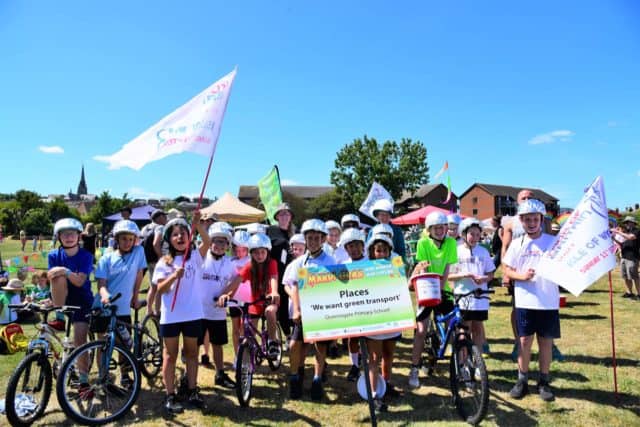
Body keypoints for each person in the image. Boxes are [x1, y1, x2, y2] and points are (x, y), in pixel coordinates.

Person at [152, 213, 210, 414]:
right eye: (175, 234)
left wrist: (197, 225)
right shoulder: (164, 263)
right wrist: (173, 277)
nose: (179, 237)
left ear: (189, 236)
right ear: (169, 239)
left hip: (193, 313)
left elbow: (208, 242)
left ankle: (192, 391)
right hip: (171, 316)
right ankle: (170, 395)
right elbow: (161, 288)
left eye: (183, 233)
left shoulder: (195, 256)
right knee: (170, 355)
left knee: (192, 353)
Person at [503, 199, 559, 402]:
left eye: (535, 219)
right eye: (527, 219)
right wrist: (521, 276)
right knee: (524, 342)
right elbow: (506, 269)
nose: (532, 222)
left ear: (541, 220)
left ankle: (544, 382)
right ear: (521, 221)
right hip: (525, 301)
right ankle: (522, 380)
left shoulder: (553, 242)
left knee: (546, 343)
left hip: (548, 302)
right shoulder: (517, 244)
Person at [281, 219, 335, 400]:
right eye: (309, 238)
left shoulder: (330, 260)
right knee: (295, 345)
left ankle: (317, 380)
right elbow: (294, 287)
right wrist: (296, 310)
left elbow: (337, 285)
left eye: (316, 238)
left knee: (320, 347)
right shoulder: (300, 262)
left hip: (322, 311)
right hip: (303, 312)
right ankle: (295, 378)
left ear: (323, 239)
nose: (312, 241)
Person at [94, 220, 147, 387]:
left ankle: (125, 375)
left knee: (124, 344)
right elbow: (101, 284)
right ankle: (103, 375)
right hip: (104, 307)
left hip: (123, 308)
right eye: (124, 238)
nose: (128, 242)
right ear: (116, 239)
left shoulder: (138, 252)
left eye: (131, 239)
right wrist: (105, 296)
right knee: (102, 343)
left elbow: (139, 274)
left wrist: (135, 296)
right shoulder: (106, 258)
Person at [408, 211, 457, 389]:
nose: (439, 230)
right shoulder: (423, 243)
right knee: (421, 330)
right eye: (435, 228)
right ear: (429, 230)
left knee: (456, 326)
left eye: (442, 227)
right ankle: (414, 368)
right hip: (427, 286)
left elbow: (447, 268)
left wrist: (441, 289)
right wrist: (432, 289)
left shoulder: (451, 242)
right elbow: (423, 267)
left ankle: (463, 366)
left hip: (442, 288)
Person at [218, 233, 281, 360]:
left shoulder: (272, 263)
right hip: (255, 302)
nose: (260, 256)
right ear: (251, 253)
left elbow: (273, 278)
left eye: (263, 252)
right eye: (256, 253)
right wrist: (223, 294)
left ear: (267, 252)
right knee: (248, 333)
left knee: (269, 312)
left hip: (270, 299)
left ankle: (273, 342)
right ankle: (248, 358)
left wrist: (274, 291)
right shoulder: (249, 266)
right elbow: (236, 281)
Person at [47, 218, 93, 387]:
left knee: (80, 340)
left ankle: (83, 380)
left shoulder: (86, 256)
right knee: (56, 275)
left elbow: (80, 282)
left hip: (81, 300)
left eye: (72, 233)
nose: (68, 237)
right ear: (58, 237)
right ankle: (59, 316)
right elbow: (51, 279)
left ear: (79, 236)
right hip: (62, 297)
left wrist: (65, 271)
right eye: (64, 234)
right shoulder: (53, 255)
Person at [364, 233, 402, 412]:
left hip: (391, 318)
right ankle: (374, 394)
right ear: (372, 252)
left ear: (389, 252)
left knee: (388, 355)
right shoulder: (364, 269)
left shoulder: (396, 267)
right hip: (374, 321)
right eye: (378, 250)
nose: (381, 254)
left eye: (385, 251)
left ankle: (386, 385)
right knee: (374, 359)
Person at [198, 223, 237, 388]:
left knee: (218, 344)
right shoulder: (201, 257)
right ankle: (187, 377)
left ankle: (220, 373)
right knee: (193, 345)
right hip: (197, 311)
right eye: (216, 241)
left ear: (228, 245)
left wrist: (226, 294)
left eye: (223, 242)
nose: (219, 245)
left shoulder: (229, 263)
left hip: (217, 312)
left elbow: (238, 279)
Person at [448, 218, 495, 353]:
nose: (474, 237)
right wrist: (465, 275)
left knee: (478, 327)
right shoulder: (456, 251)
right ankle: (462, 360)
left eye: (477, 234)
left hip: (480, 296)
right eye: (471, 234)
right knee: (463, 328)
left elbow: (491, 274)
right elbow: (449, 276)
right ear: (463, 234)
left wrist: (484, 278)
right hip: (463, 296)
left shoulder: (484, 252)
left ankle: (477, 359)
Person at [339, 228, 367, 383]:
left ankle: (369, 364)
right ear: (346, 249)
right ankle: (355, 365)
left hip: (369, 308)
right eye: (350, 246)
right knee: (352, 338)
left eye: (357, 245)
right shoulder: (342, 266)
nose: (354, 249)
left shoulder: (370, 263)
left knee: (370, 340)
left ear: (362, 246)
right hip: (351, 308)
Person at [266, 203, 296, 339]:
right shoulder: (271, 230)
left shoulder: (294, 234)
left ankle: (292, 336)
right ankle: (282, 336)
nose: (284, 216)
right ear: (277, 217)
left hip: (290, 274)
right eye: (281, 214)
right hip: (273, 275)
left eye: (287, 214)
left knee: (289, 306)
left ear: (290, 217)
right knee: (277, 306)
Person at [228, 230, 251, 361]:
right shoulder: (231, 262)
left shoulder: (252, 261)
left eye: (243, 250)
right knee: (235, 327)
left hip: (248, 300)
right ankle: (237, 356)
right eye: (237, 249)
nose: (240, 252)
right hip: (234, 299)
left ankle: (245, 356)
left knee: (245, 328)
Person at [142, 209, 168, 316]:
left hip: (147, 260)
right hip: (157, 260)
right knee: (158, 286)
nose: (166, 218)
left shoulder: (145, 228)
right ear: (159, 217)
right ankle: (157, 310)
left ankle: (149, 309)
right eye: (164, 216)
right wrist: (161, 258)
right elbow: (156, 244)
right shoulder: (160, 227)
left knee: (153, 286)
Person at [611, 216, 640, 299]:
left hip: (632, 257)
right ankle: (629, 292)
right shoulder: (626, 232)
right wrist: (614, 239)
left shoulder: (637, 231)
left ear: (633, 223)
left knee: (634, 276)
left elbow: (631, 237)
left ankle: (639, 294)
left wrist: (617, 232)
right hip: (624, 256)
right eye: (625, 222)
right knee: (625, 276)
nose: (626, 224)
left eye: (628, 222)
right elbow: (621, 244)